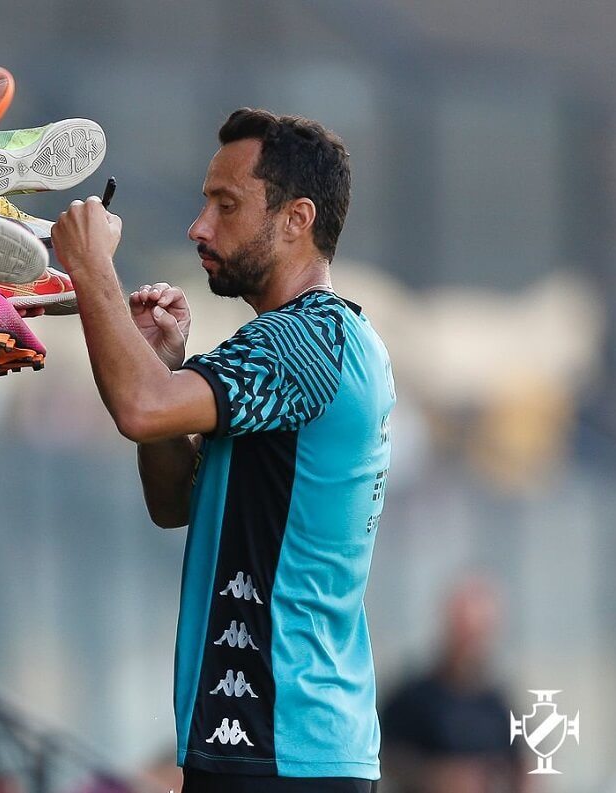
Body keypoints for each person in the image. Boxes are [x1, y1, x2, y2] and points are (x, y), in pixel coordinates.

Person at [51, 108, 395, 792]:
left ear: (298, 218)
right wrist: (158, 360)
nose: (199, 226)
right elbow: (174, 498)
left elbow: (141, 405)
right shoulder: (322, 341)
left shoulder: (302, 340)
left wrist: (91, 268)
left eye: (226, 204)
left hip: (280, 743)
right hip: (280, 743)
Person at [380, 577, 532, 793]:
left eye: (478, 632)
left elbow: (520, 762)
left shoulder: (497, 705)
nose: (471, 642)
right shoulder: (410, 699)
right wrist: (435, 777)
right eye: (464, 630)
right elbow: (386, 757)